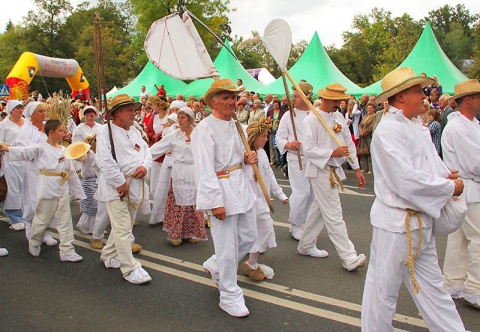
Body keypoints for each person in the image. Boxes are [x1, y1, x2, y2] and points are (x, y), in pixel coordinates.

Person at [361, 67, 465, 331]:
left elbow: (427, 164)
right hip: (396, 226)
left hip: (420, 224)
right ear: (400, 97)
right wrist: (448, 187)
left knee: (434, 290)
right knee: (383, 293)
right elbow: (405, 180)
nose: (424, 95)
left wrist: (444, 175)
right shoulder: (388, 131)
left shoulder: (413, 125)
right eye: (417, 91)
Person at [191, 79, 257, 317]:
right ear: (213, 103)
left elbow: (238, 158)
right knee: (227, 246)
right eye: (226, 97)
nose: (232, 101)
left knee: (250, 236)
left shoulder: (237, 126)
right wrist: (215, 202)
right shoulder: (204, 129)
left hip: (241, 188)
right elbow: (203, 168)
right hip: (221, 190)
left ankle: (216, 264)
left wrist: (247, 160)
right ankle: (229, 295)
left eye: (233, 97)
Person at [298, 83, 367, 271]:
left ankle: (305, 245)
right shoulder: (311, 120)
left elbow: (348, 144)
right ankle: (349, 256)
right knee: (334, 214)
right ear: (326, 99)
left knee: (319, 209)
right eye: (336, 100)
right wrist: (332, 153)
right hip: (320, 171)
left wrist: (357, 168)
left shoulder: (338, 117)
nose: (339, 103)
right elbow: (308, 150)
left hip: (334, 170)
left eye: (340, 100)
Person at [0, 120, 86, 262]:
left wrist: (79, 193)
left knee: (65, 221)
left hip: (62, 188)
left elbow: (70, 172)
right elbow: (23, 152)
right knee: (42, 219)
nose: (63, 133)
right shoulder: (40, 148)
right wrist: (6, 148)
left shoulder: (64, 150)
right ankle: (34, 241)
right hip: (47, 188)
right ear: (51, 132)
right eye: (60, 131)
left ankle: (67, 250)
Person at [96, 94, 152, 284]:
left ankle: (108, 254)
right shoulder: (106, 132)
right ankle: (129, 268)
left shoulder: (135, 131)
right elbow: (104, 160)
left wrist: (144, 166)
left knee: (125, 226)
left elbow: (147, 151)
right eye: (129, 110)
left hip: (135, 185)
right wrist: (120, 182)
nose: (133, 113)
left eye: (133, 109)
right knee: (122, 229)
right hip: (117, 188)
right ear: (117, 113)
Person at [442, 79, 480, 309]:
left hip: (469, 186)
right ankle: (474, 287)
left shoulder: (472, 124)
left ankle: (452, 283)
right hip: (468, 186)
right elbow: (474, 162)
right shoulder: (457, 127)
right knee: (477, 237)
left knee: (461, 238)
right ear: (469, 99)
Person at [151, 107, 207, 245]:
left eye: (183, 117)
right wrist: (140, 161)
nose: (179, 120)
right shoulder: (174, 135)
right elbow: (156, 149)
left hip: (194, 172)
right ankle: (176, 234)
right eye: (179, 117)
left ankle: (190, 232)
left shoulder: (199, 135)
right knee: (178, 204)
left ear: (190, 120)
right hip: (179, 173)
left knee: (193, 204)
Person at [243, 118, 288, 281]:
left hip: (261, 200)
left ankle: (251, 260)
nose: (266, 139)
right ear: (254, 137)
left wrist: (280, 194)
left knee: (260, 231)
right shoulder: (246, 155)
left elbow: (269, 175)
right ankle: (250, 263)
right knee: (259, 230)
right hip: (250, 201)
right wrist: (246, 162)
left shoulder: (262, 153)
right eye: (263, 136)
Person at [14, 102, 58, 246]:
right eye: (40, 111)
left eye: (45, 111)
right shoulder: (25, 131)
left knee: (48, 200)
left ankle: (45, 230)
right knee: (35, 201)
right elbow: (22, 150)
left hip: (49, 170)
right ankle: (30, 228)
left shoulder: (48, 127)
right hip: (34, 170)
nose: (44, 114)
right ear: (31, 114)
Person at [276, 81, 314, 240]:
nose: (293, 99)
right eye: (293, 96)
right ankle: (295, 225)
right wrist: (288, 144)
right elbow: (279, 137)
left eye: (297, 96)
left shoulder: (315, 114)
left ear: (307, 97)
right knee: (302, 192)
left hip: (313, 160)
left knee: (312, 194)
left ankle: (304, 222)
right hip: (296, 158)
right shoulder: (288, 115)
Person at [72, 106, 105, 249]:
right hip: (88, 162)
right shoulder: (79, 129)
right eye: (87, 116)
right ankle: (87, 225)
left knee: (100, 196)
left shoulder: (101, 127)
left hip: (100, 159)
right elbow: (76, 146)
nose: (89, 118)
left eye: (92, 115)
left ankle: (97, 225)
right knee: (91, 196)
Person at [0, 100, 26, 231]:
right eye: (18, 108)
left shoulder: (27, 123)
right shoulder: (4, 125)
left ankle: (25, 215)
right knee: (13, 189)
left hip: (26, 160)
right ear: (11, 110)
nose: (20, 111)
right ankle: (14, 217)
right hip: (11, 161)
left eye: (22, 108)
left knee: (25, 188)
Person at [358, 102, 375, 174]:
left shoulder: (374, 116)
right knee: (362, 152)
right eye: (368, 108)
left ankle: (370, 169)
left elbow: (371, 126)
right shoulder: (365, 116)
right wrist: (361, 131)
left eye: (370, 108)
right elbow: (360, 124)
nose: (369, 109)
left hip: (368, 136)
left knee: (369, 153)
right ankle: (364, 168)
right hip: (362, 137)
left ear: (374, 109)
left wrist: (364, 133)